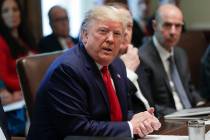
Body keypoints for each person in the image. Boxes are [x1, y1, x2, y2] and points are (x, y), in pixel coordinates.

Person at [27, 5, 161, 140]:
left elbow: (114, 114)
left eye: (117, 34)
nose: (110, 39)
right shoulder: (67, 70)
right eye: (103, 31)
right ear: (85, 35)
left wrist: (138, 119)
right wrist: (130, 127)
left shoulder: (116, 64)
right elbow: (77, 129)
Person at [139, 4, 205, 116]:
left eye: (178, 26)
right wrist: (183, 115)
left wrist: (201, 104)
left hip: (191, 116)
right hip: (168, 121)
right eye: (167, 25)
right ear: (155, 25)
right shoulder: (142, 57)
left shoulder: (180, 53)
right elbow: (149, 105)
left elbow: (189, 89)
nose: (173, 32)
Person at [108, 2, 155, 113]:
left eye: (129, 26)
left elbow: (152, 104)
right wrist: (127, 71)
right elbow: (117, 113)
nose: (125, 32)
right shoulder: (103, 64)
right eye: (120, 25)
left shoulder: (137, 57)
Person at [0, 0, 36, 136]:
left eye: (15, 9)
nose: (12, 14)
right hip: (18, 100)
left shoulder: (26, 38)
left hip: (32, 91)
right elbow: (3, 76)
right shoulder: (1, 41)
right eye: (6, 11)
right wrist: (27, 87)